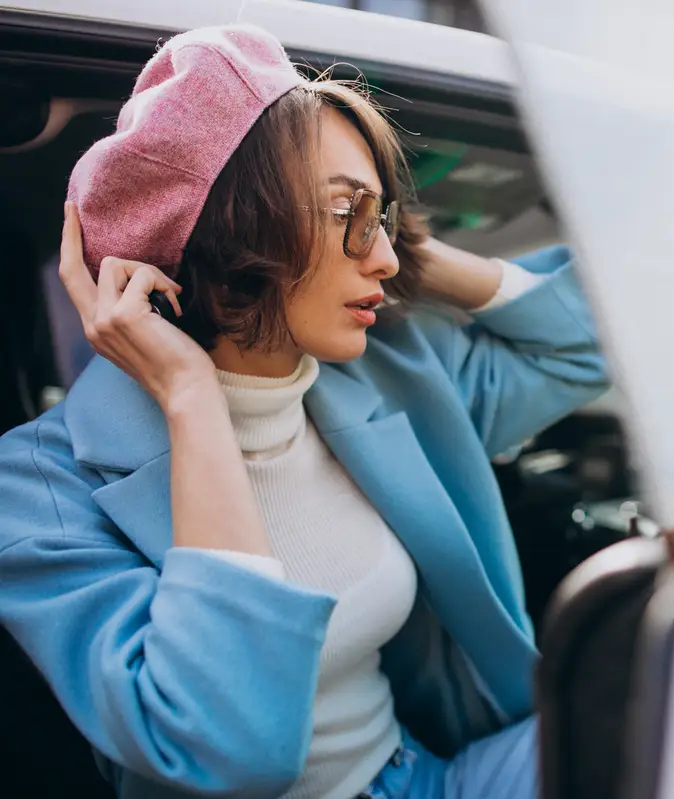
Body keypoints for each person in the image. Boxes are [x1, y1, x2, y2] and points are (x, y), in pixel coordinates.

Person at [0, 24, 608, 799]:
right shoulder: (38, 488)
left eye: (381, 217)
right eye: (345, 212)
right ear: (227, 230)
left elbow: (591, 342)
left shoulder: (387, 374)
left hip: (433, 777)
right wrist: (192, 401)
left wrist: (417, 252)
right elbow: (227, 748)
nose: (382, 256)